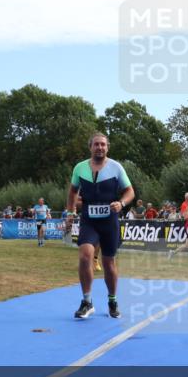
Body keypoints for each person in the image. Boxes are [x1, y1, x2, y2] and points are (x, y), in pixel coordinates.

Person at [65, 132, 134, 319]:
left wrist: (122, 203)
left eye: (103, 144)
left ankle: (112, 300)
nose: (100, 147)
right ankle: (87, 302)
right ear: (90, 147)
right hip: (89, 221)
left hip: (109, 222)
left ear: (107, 147)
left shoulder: (116, 167)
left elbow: (129, 191)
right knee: (85, 255)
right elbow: (72, 192)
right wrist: (70, 213)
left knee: (108, 262)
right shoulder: (80, 168)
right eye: (96, 144)